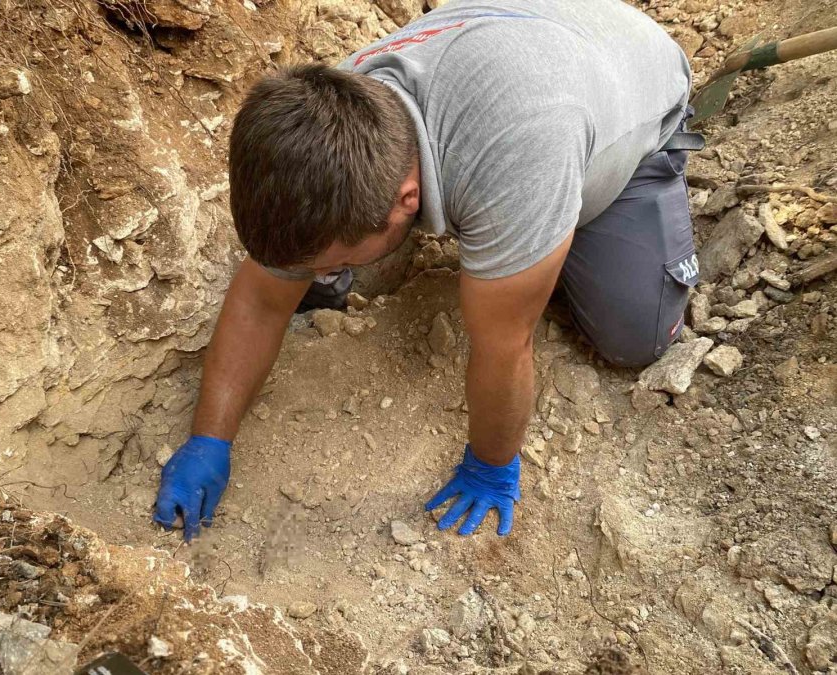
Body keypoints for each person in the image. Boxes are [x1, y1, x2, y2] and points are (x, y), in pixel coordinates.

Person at [154, 0, 702, 542]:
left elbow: (504, 345)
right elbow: (259, 295)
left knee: (633, 335)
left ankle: (580, 210)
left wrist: (491, 463)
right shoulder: (330, 120)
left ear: (407, 198)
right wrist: (210, 439)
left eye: (333, 264)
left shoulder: (517, 154)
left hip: (636, 86)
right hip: (529, 40)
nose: (317, 276)